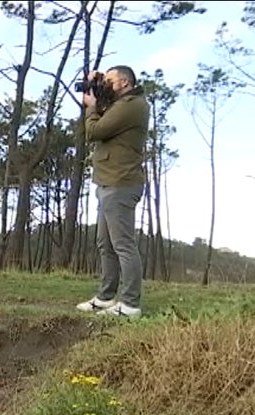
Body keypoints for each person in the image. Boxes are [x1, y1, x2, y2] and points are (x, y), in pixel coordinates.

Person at [76, 65, 150, 318]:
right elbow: (104, 112)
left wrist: (90, 107)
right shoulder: (119, 103)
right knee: (105, 244)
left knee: (123, 245)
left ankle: (130, 305)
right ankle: (106, 297)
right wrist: (94, 85)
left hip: (121, 183)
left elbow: (95, 131)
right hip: (108, 182)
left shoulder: (132, 105)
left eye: (110, 80)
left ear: (126, 82)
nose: (106, 85)